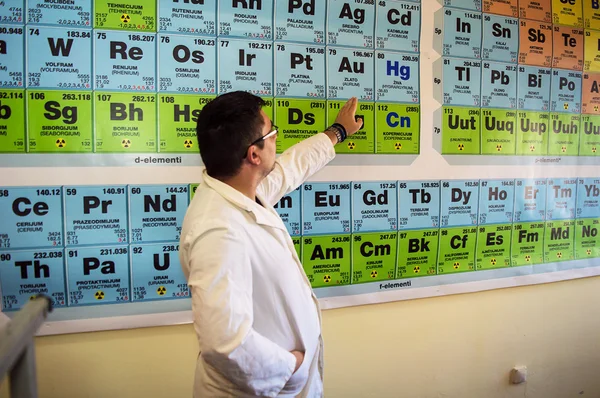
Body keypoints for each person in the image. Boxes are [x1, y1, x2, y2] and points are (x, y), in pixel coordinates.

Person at [179, 91, 363, 397]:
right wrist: (290, 366)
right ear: (254, 154)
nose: (277, 142)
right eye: (273, 134)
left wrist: (337, 132)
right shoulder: (218, 229)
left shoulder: (240, 190)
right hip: (259, 389)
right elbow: (223, 341)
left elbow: (291, 168)